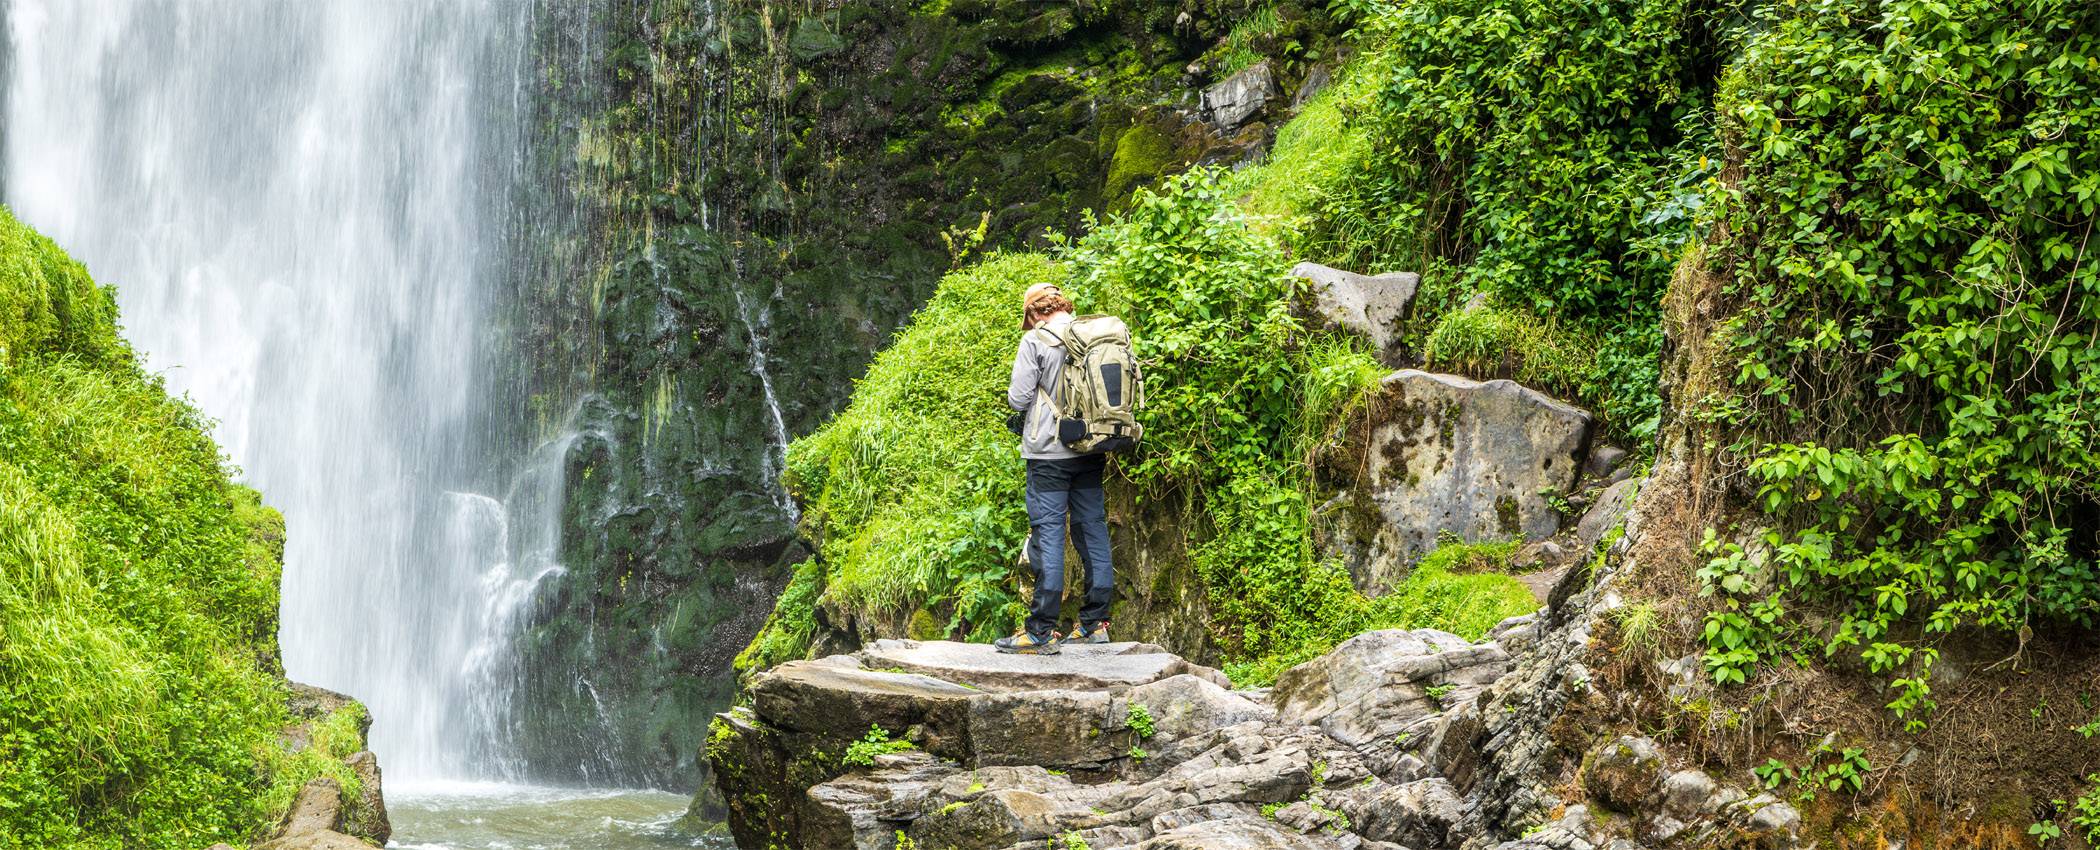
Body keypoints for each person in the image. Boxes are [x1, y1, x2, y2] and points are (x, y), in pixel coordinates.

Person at [994, 282, 1114, 655]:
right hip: (1092, 448)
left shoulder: (1036, 341)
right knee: (1091, 528)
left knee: (1048, 533)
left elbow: (1018, 398)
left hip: (1049, 454)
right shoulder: (1095, 333)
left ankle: (1041, 631)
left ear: (1034, 313)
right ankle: (1095, 624)